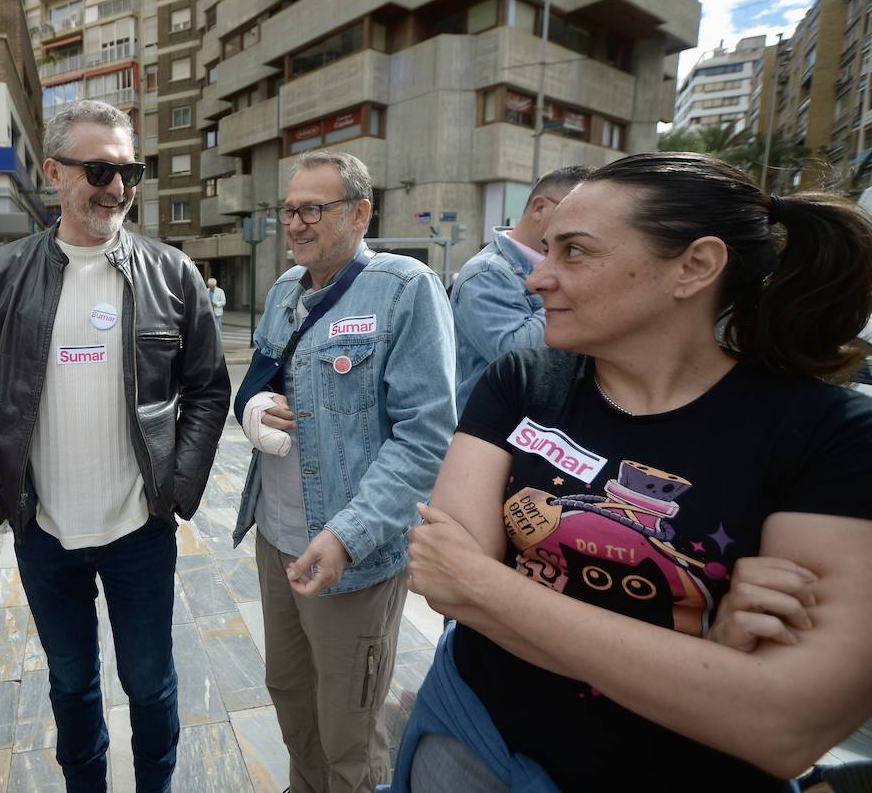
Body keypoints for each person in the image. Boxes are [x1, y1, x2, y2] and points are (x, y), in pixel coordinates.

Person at [405, 152, 872, 791]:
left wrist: (487, 585)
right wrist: (706, 659)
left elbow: (784, 725)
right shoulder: (522, 382)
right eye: (547, 251)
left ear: (695, 266)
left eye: (574, 252)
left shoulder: (831, 435)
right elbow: (440, 585)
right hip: (471, 741)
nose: (537, 279)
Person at [0, 100, 230, 793]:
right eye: (100, 169)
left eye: (129, 170)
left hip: (140, 530)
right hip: (45, 533)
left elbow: (208, 391)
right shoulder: (0, 276)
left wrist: (177, 489)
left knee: (150, 684)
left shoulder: (172, 273)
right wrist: (7, 498)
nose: (117, 186)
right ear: (54, 173)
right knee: (72, 686)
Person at [230, 151, 458, 793]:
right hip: (277, 542)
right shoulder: (281, 292)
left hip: (349, 555)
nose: (296, 223)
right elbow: (258, 383)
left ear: (361, 213)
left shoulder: (405, 288)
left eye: (313, 209)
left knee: (350, 725)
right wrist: (249, 409)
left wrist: (349, 533)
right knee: (289, 695)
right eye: (290, 210)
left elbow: (426, 436)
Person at [450, 166, 592, 414]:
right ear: (539, 208)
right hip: (499, 434)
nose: (586, 227)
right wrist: (567, 287)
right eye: (579, 213)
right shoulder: (485, 273)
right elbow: (513, 354)